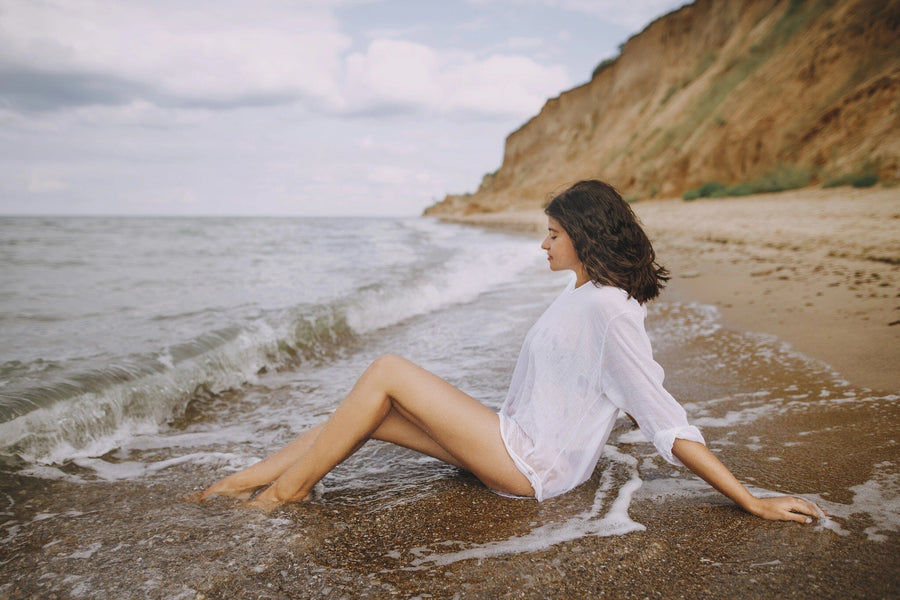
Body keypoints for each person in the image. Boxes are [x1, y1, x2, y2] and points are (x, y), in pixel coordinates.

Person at [194, 180, 820, 524]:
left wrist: (751, 500)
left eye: (552, 234)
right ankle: (236, 485)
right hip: (514, 438)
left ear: (583, 238)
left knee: (387, 370)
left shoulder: (607, 309)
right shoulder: (584, 294)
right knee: (363, 416)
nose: (543, 246)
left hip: (532, 467)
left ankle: (284, 496)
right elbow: (594, 387)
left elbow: (663, 417)